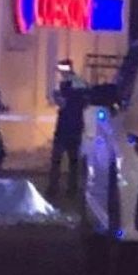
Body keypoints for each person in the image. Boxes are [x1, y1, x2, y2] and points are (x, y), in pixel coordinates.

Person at [47, 57, 89, 199]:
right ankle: (72, 189)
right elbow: (84, 102)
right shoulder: (81, 83)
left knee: (57, 159)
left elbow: (63, 103)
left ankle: (53, 188)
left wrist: (57, 97)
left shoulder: (66, 84)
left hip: (64, 126)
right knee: (73, 161)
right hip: (76, 126)